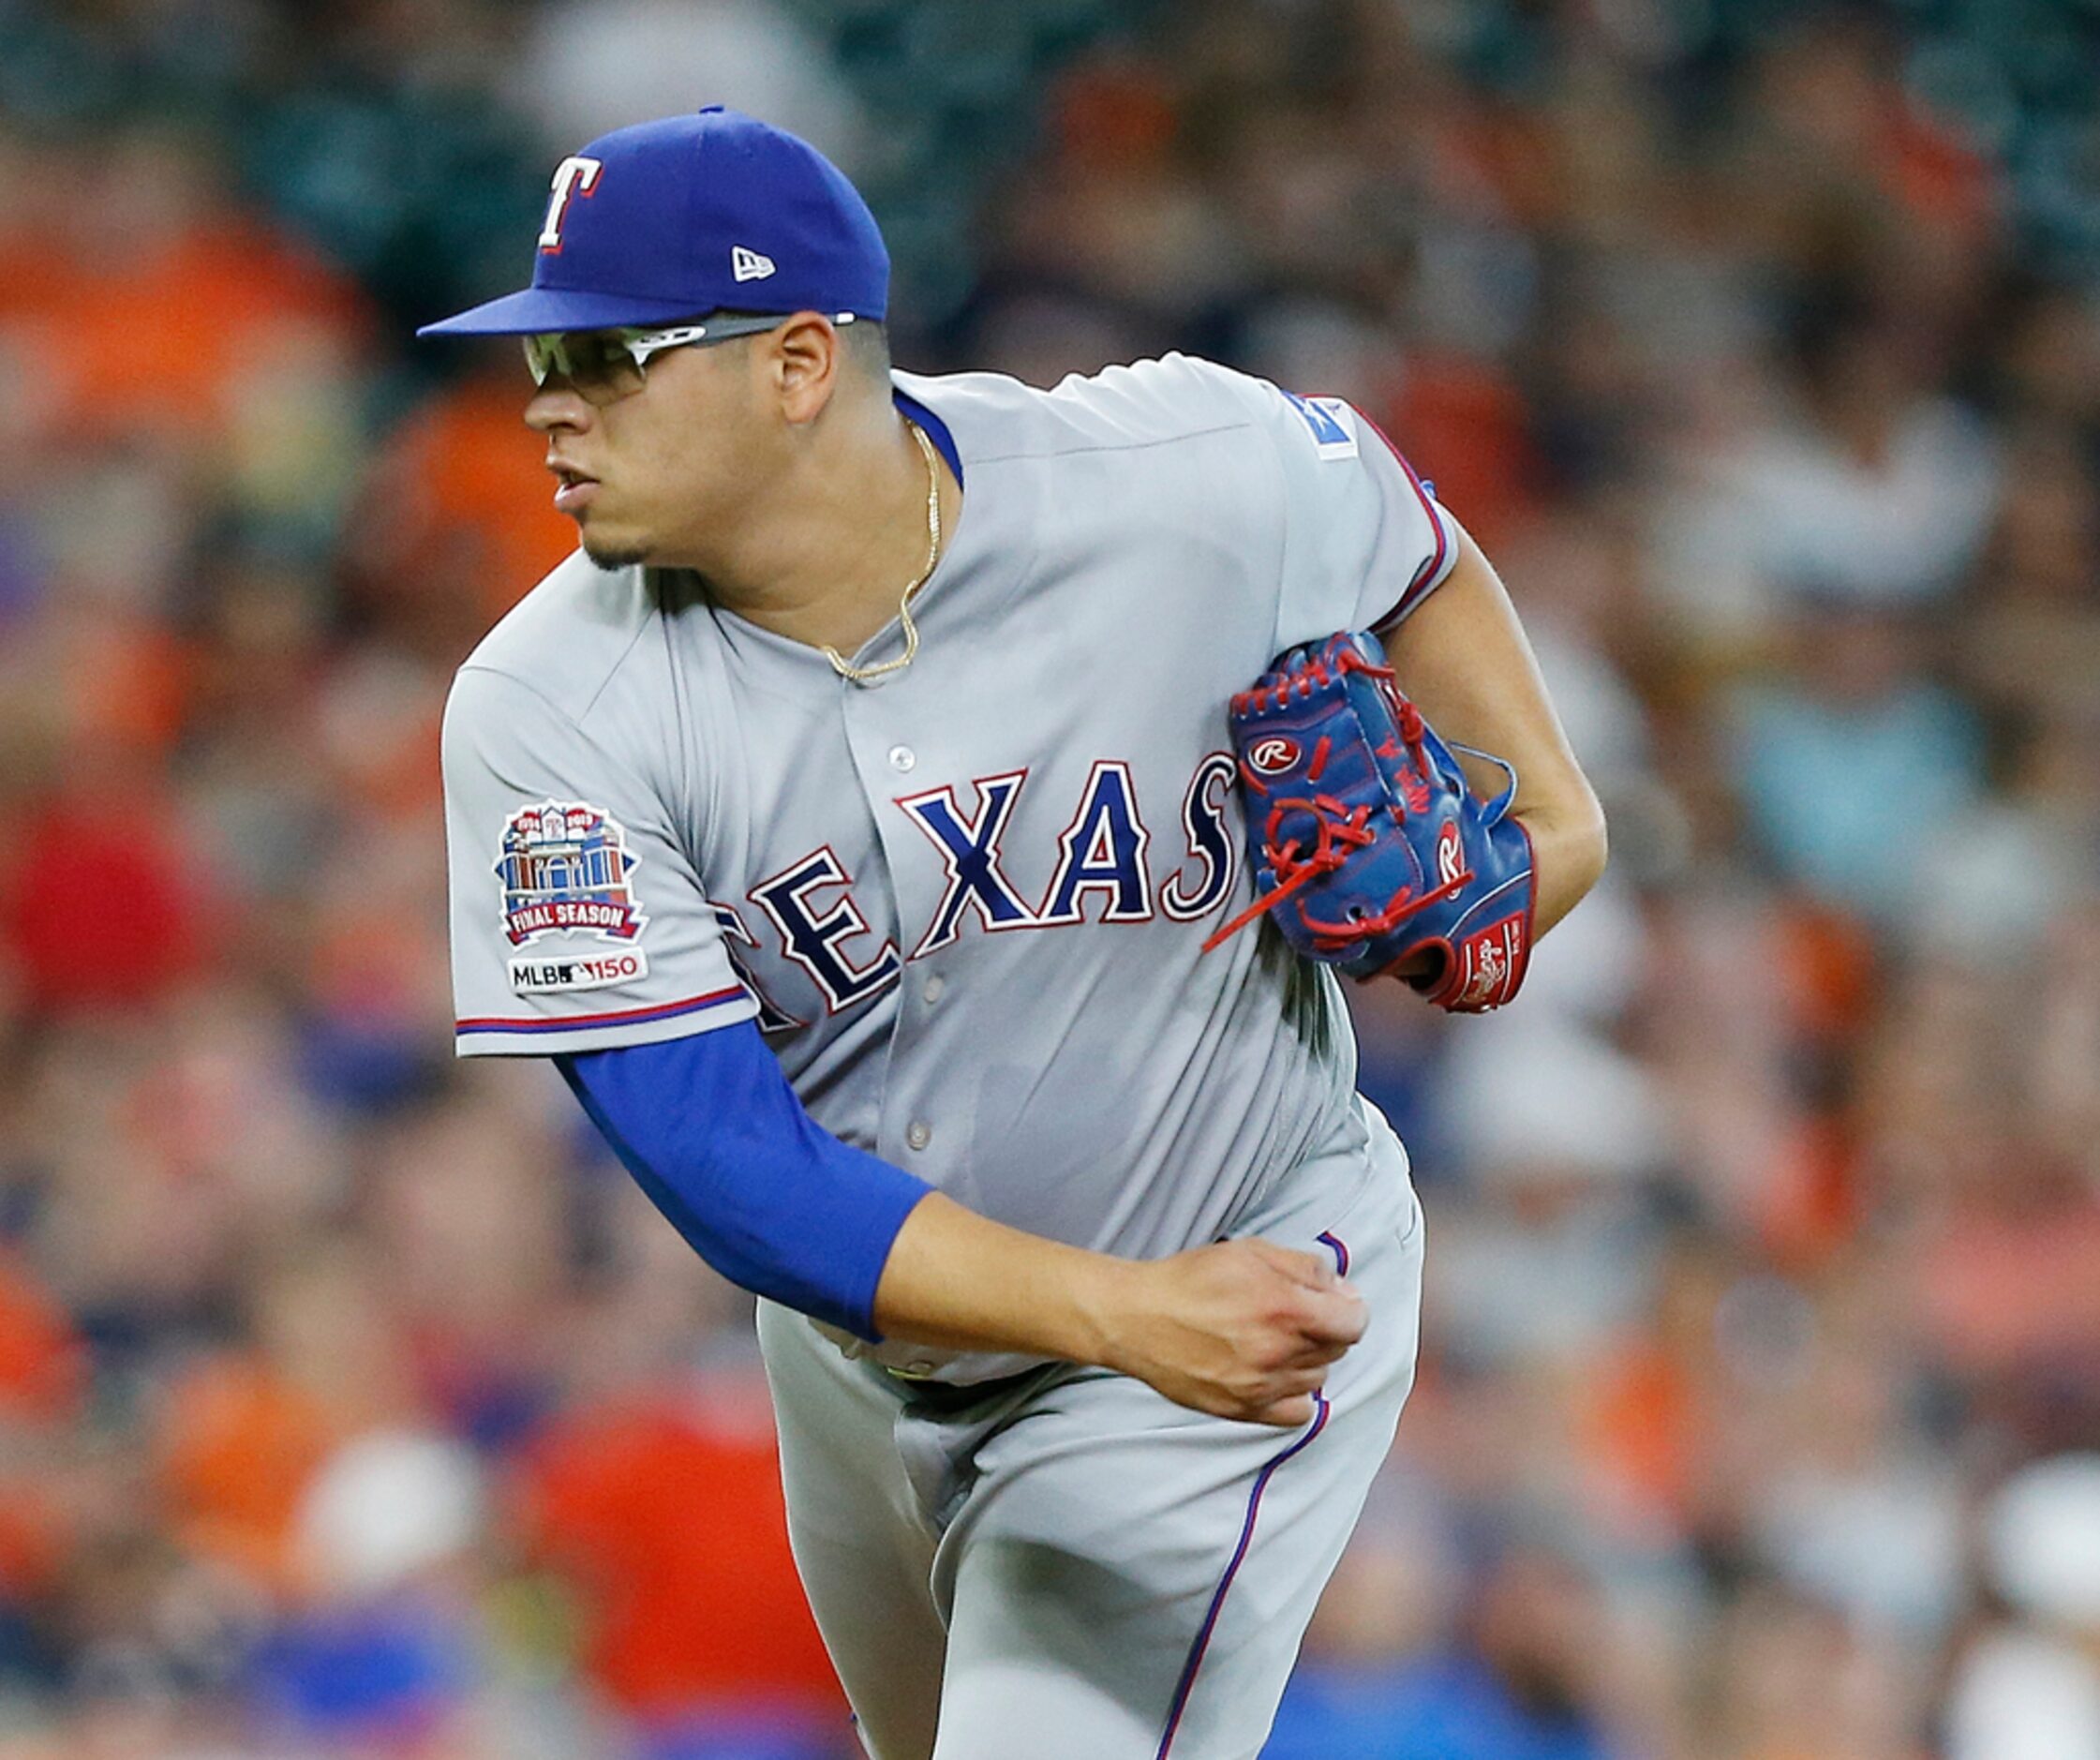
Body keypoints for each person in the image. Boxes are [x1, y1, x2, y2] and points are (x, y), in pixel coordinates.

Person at [423, 107, 1605, 1760]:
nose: (549, 400)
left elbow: (1385, 510)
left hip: (1228, 1289)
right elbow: (723, 1163)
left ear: (795, 363)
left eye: (612, 355)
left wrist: (1558, 822)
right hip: (865, 1353)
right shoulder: (548, 703)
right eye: (541, 356)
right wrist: (1114, 1312)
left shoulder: (1171, 474)